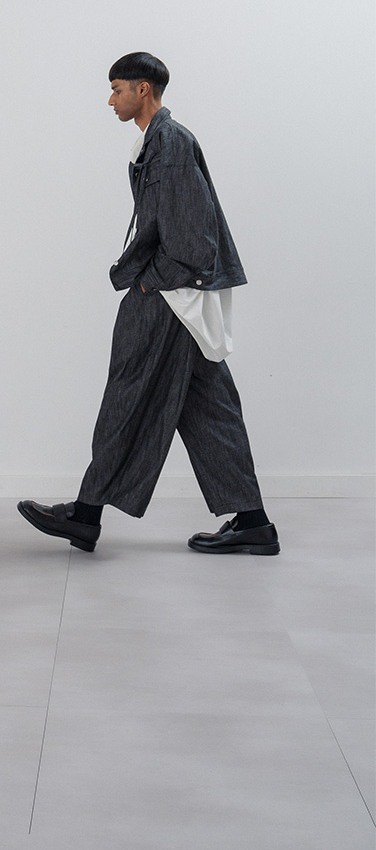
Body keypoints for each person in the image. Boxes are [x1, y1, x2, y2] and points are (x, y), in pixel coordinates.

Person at [18, 52, 279, 556]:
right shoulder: (157, 142)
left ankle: (85, 515)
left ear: (142, 89)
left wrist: (149, 284)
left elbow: (194, 239)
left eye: (117, 89)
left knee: (128, 394)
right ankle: (253, 522)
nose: (110, 100)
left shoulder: (170, 143)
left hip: (169, 298)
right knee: (210, 409)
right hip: (180, 299)